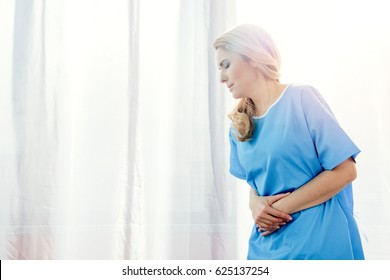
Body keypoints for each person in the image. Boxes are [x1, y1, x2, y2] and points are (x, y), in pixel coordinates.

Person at [213, 24, 365, 260]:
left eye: (226, 65)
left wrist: (276, 209)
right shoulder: (239, 125)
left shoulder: (301, 99)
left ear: (252, 56)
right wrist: (254, 204)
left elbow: (345, 170)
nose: (222, 78)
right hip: (265, 247)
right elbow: (260, 181)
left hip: (318, 244)